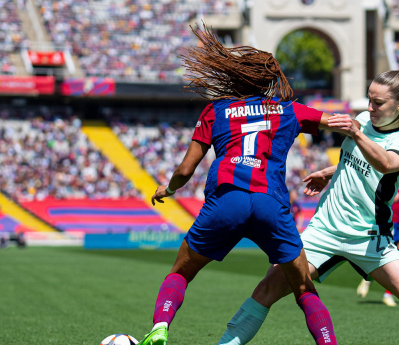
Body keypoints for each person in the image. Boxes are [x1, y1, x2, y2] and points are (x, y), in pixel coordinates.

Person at [218, 68, 399, 345]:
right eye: (369, 100)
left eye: (378, 103)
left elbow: (385, 163)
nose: (370, 108)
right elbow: (354, 158)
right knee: (266, 290)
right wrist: (330, 172)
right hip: (324, 231)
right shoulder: (362, 121)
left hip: (369, 238)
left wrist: (356, 133)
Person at [142, 27, 343, 345]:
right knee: (304, 289)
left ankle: (160, 327)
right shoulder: (288, 110)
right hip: (271, 204)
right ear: (268, 81)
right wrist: (366, 128)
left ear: (234, 77)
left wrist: (168, 189)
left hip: (226, 201)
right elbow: (339, 122)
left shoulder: (216, 110)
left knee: (180, 273)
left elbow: (185, 169)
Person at [357, 158, 399, 306]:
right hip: (389, 219)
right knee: (383, 255)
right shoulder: (390, 165)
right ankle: (370, 277)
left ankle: (388, 295)